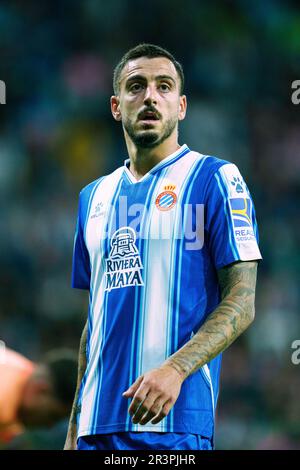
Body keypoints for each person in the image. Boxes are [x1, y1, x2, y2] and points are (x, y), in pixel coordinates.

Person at [64, 43, 262, 451]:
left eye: (164, 86)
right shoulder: (92, 197)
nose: (150, 96)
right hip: (95, 428)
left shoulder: (217, 178)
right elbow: (94, 324)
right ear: (117, 106)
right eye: (136, 86)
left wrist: (175, 369)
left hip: (175, 425)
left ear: (182, 105)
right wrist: (72, 431)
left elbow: (242, 302)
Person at [0, 347, 77, 449]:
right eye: (54, 416)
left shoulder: (20, 370)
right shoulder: (4, 395)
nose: (49, 426)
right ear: (41, 390)